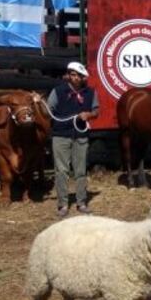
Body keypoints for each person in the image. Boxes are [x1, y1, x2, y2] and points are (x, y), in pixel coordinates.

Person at [48, 62, 98, 218]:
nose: (75, 78)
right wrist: (38, 102)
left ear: (83, 77)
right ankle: (63, 204)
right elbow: (49, 109)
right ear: (68, 75)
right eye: (72, 74)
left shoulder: (90, 92)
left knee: (80, 170)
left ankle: (81, 202)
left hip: (80, 135)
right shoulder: (58, 91)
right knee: (61, 171)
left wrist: (88, 115)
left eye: (78, 75)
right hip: (61, 135)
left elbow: (96, 111)